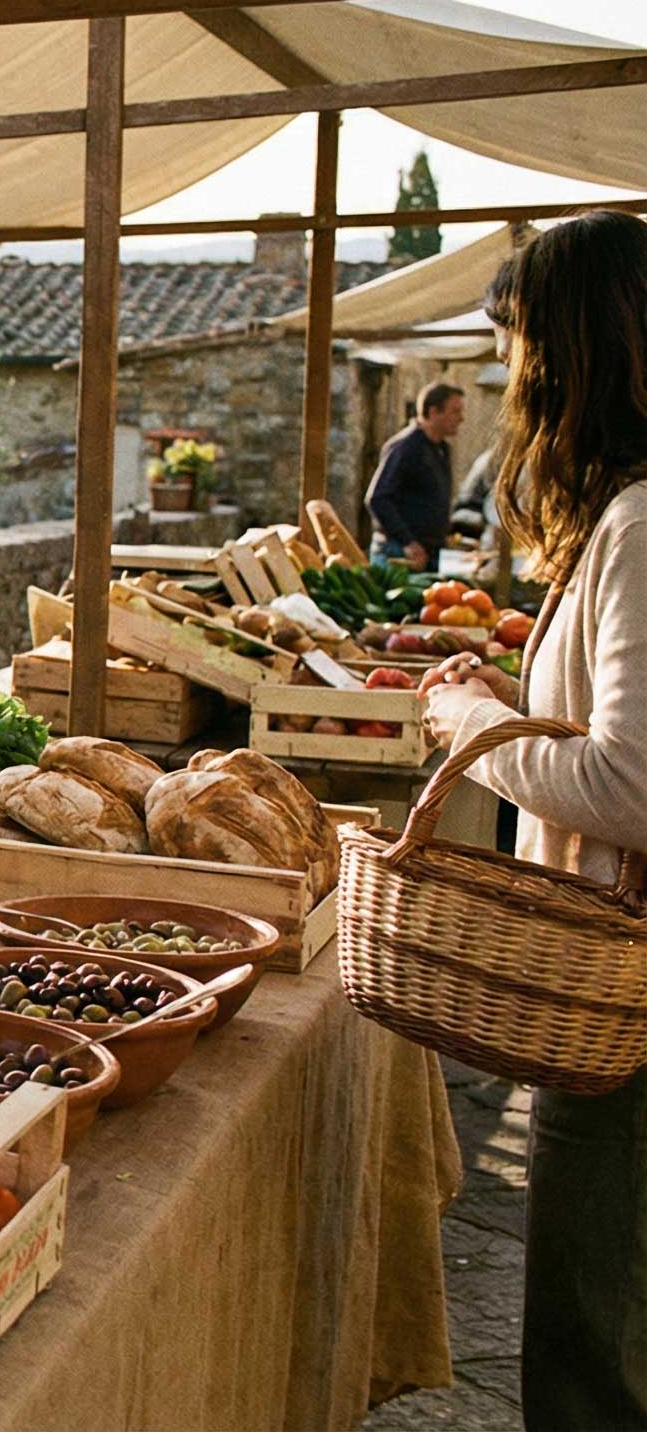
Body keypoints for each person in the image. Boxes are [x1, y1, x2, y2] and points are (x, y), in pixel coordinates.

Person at [417, 211, 647, 1428]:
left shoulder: (641, 528)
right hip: (615, 989)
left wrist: (473, 735)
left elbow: (630, 785)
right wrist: (511, 702)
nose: (508, 379)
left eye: (515, 346)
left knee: (589, 1345)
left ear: (568, 351)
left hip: (629, 999)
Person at [367, 380, 467, 567]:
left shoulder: (442, 449)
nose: (461, 418)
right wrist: (408, 542)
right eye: (455, 411)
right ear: (433, 412)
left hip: (429, 552)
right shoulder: (406, 447)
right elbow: (378, 498)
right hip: (400, 552)